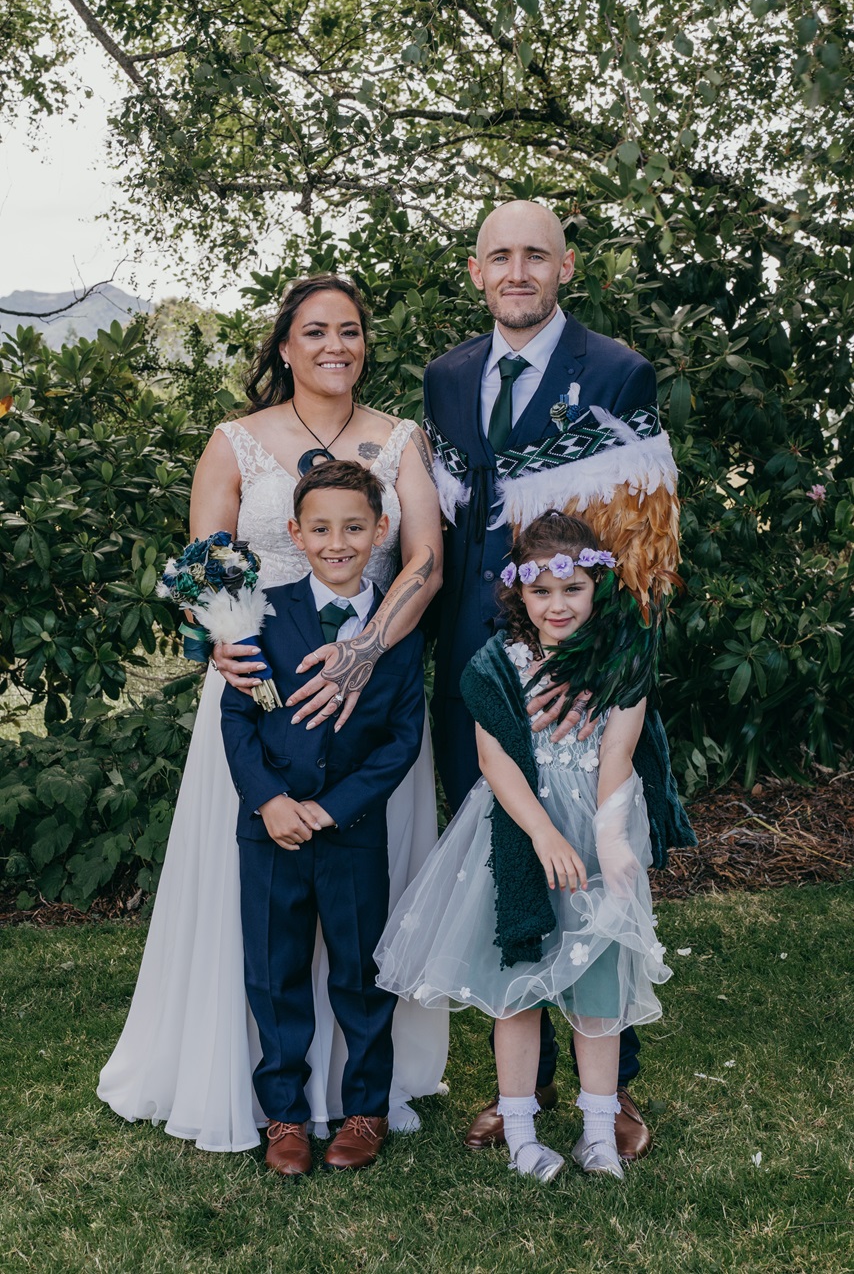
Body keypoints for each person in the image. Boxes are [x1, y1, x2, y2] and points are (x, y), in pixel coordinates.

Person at [98, 274, 447, 1150]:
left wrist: (366, 655)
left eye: (352, 330)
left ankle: (361, 1091)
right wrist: (213, 636)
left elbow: (426, 563)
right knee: (266, 922)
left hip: (372, 696)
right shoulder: (234, 443)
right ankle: (266, 1089)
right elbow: (202, 569)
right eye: (316, 330)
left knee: (365, 909)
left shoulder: (401, 439)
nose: (337, 344)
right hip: (261, 691)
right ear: (283, 346)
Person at [422, 200, 693, 1156]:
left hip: (582, 669)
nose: (518, 270)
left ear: (565, 267)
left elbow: (641, 546)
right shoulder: (447, 377)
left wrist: (607, 672)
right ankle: (519, 1093)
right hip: (478, 663)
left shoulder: (618, 371)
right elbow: (444, 535)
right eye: (500, 256)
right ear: (475, 271)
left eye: (535, 254)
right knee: (508, 859)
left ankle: (608, 1092)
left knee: (595, 864)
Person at [377, 512, 672, 1181]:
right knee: (516, 984)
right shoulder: (496, 665)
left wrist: (606, 839)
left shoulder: (621, 660)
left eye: (570, 591)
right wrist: (541, 833)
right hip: (517, 828)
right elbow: (495, 761)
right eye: (540, 592)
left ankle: (598, 1131)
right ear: (518, 595)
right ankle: (520, 1135)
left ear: (595, 587)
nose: (557, 605)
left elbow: (618, 756)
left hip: (597, 822)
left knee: (597, 988)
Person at [222, 461, 425, 1176]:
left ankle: (363, 1110)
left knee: (359, 974)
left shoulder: (392, 632)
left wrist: (334, 808)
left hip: (351, 832)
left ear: (378, 532)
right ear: (295, 534)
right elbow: (237, 716)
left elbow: (402, 738)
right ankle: (283, 1115)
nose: (337, 542)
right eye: (320, 528)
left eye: (352, 527)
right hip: (270, 829)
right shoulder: (262, 612)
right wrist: (270, 800)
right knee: (274, 974)